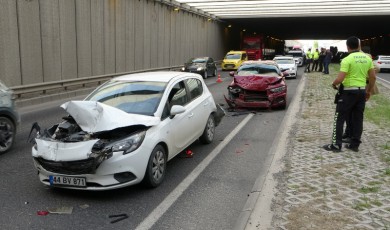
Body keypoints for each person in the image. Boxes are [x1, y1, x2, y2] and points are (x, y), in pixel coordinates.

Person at [323, 36, 376, 152]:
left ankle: (336, 145)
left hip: (348, 92)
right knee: (358, 119)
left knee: (339, 118)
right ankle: (354, 145)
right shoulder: (368, 59)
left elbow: (340, 78)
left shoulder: (347, 60)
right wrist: (368, 91)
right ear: (359, 46)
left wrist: (333, 84)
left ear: (347, 47)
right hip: (361, 91)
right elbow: (373, 77)